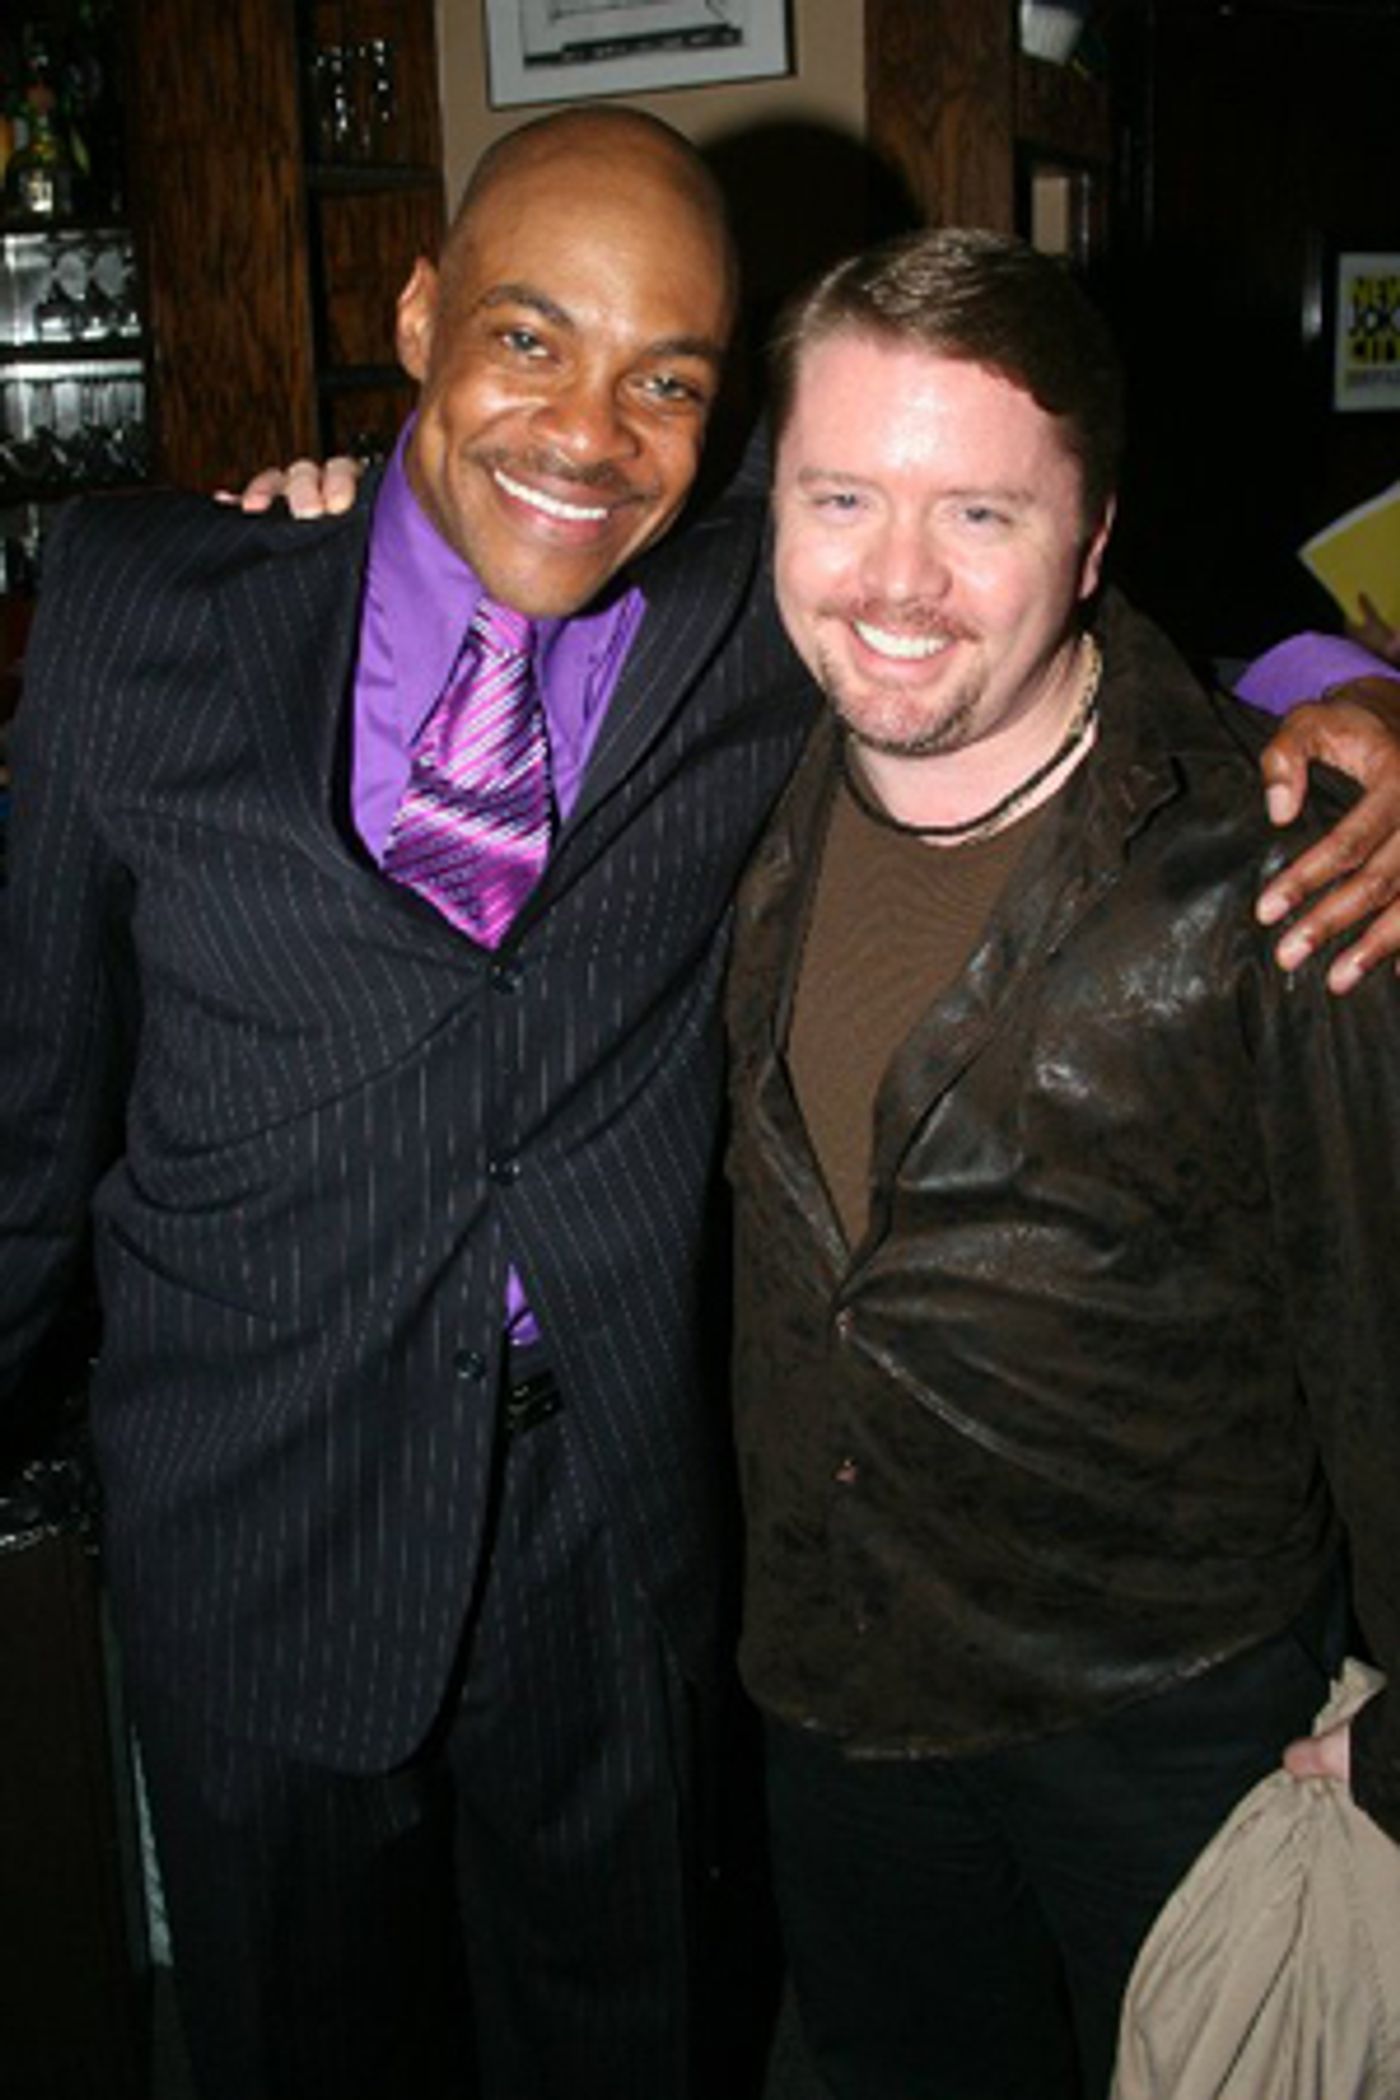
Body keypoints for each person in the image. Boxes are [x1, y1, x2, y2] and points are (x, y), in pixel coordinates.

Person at [1, 107, 1399, 2100]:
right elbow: (31, 1124)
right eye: (527, 339)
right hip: (259, 1534)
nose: (588, 432)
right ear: (417, 317)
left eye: (666, 379)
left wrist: (1357, 695)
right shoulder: (151, 600)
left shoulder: (762, 601)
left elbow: (1033, 568)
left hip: (624, 1544)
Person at [724, 227, 1400, 2100]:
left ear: (1093, 539)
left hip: (1176, 1728)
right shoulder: (729, 770)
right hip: (834, 1699)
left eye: (981, 515)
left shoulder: (1286, 866)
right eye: (842, 498)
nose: (896, 581)